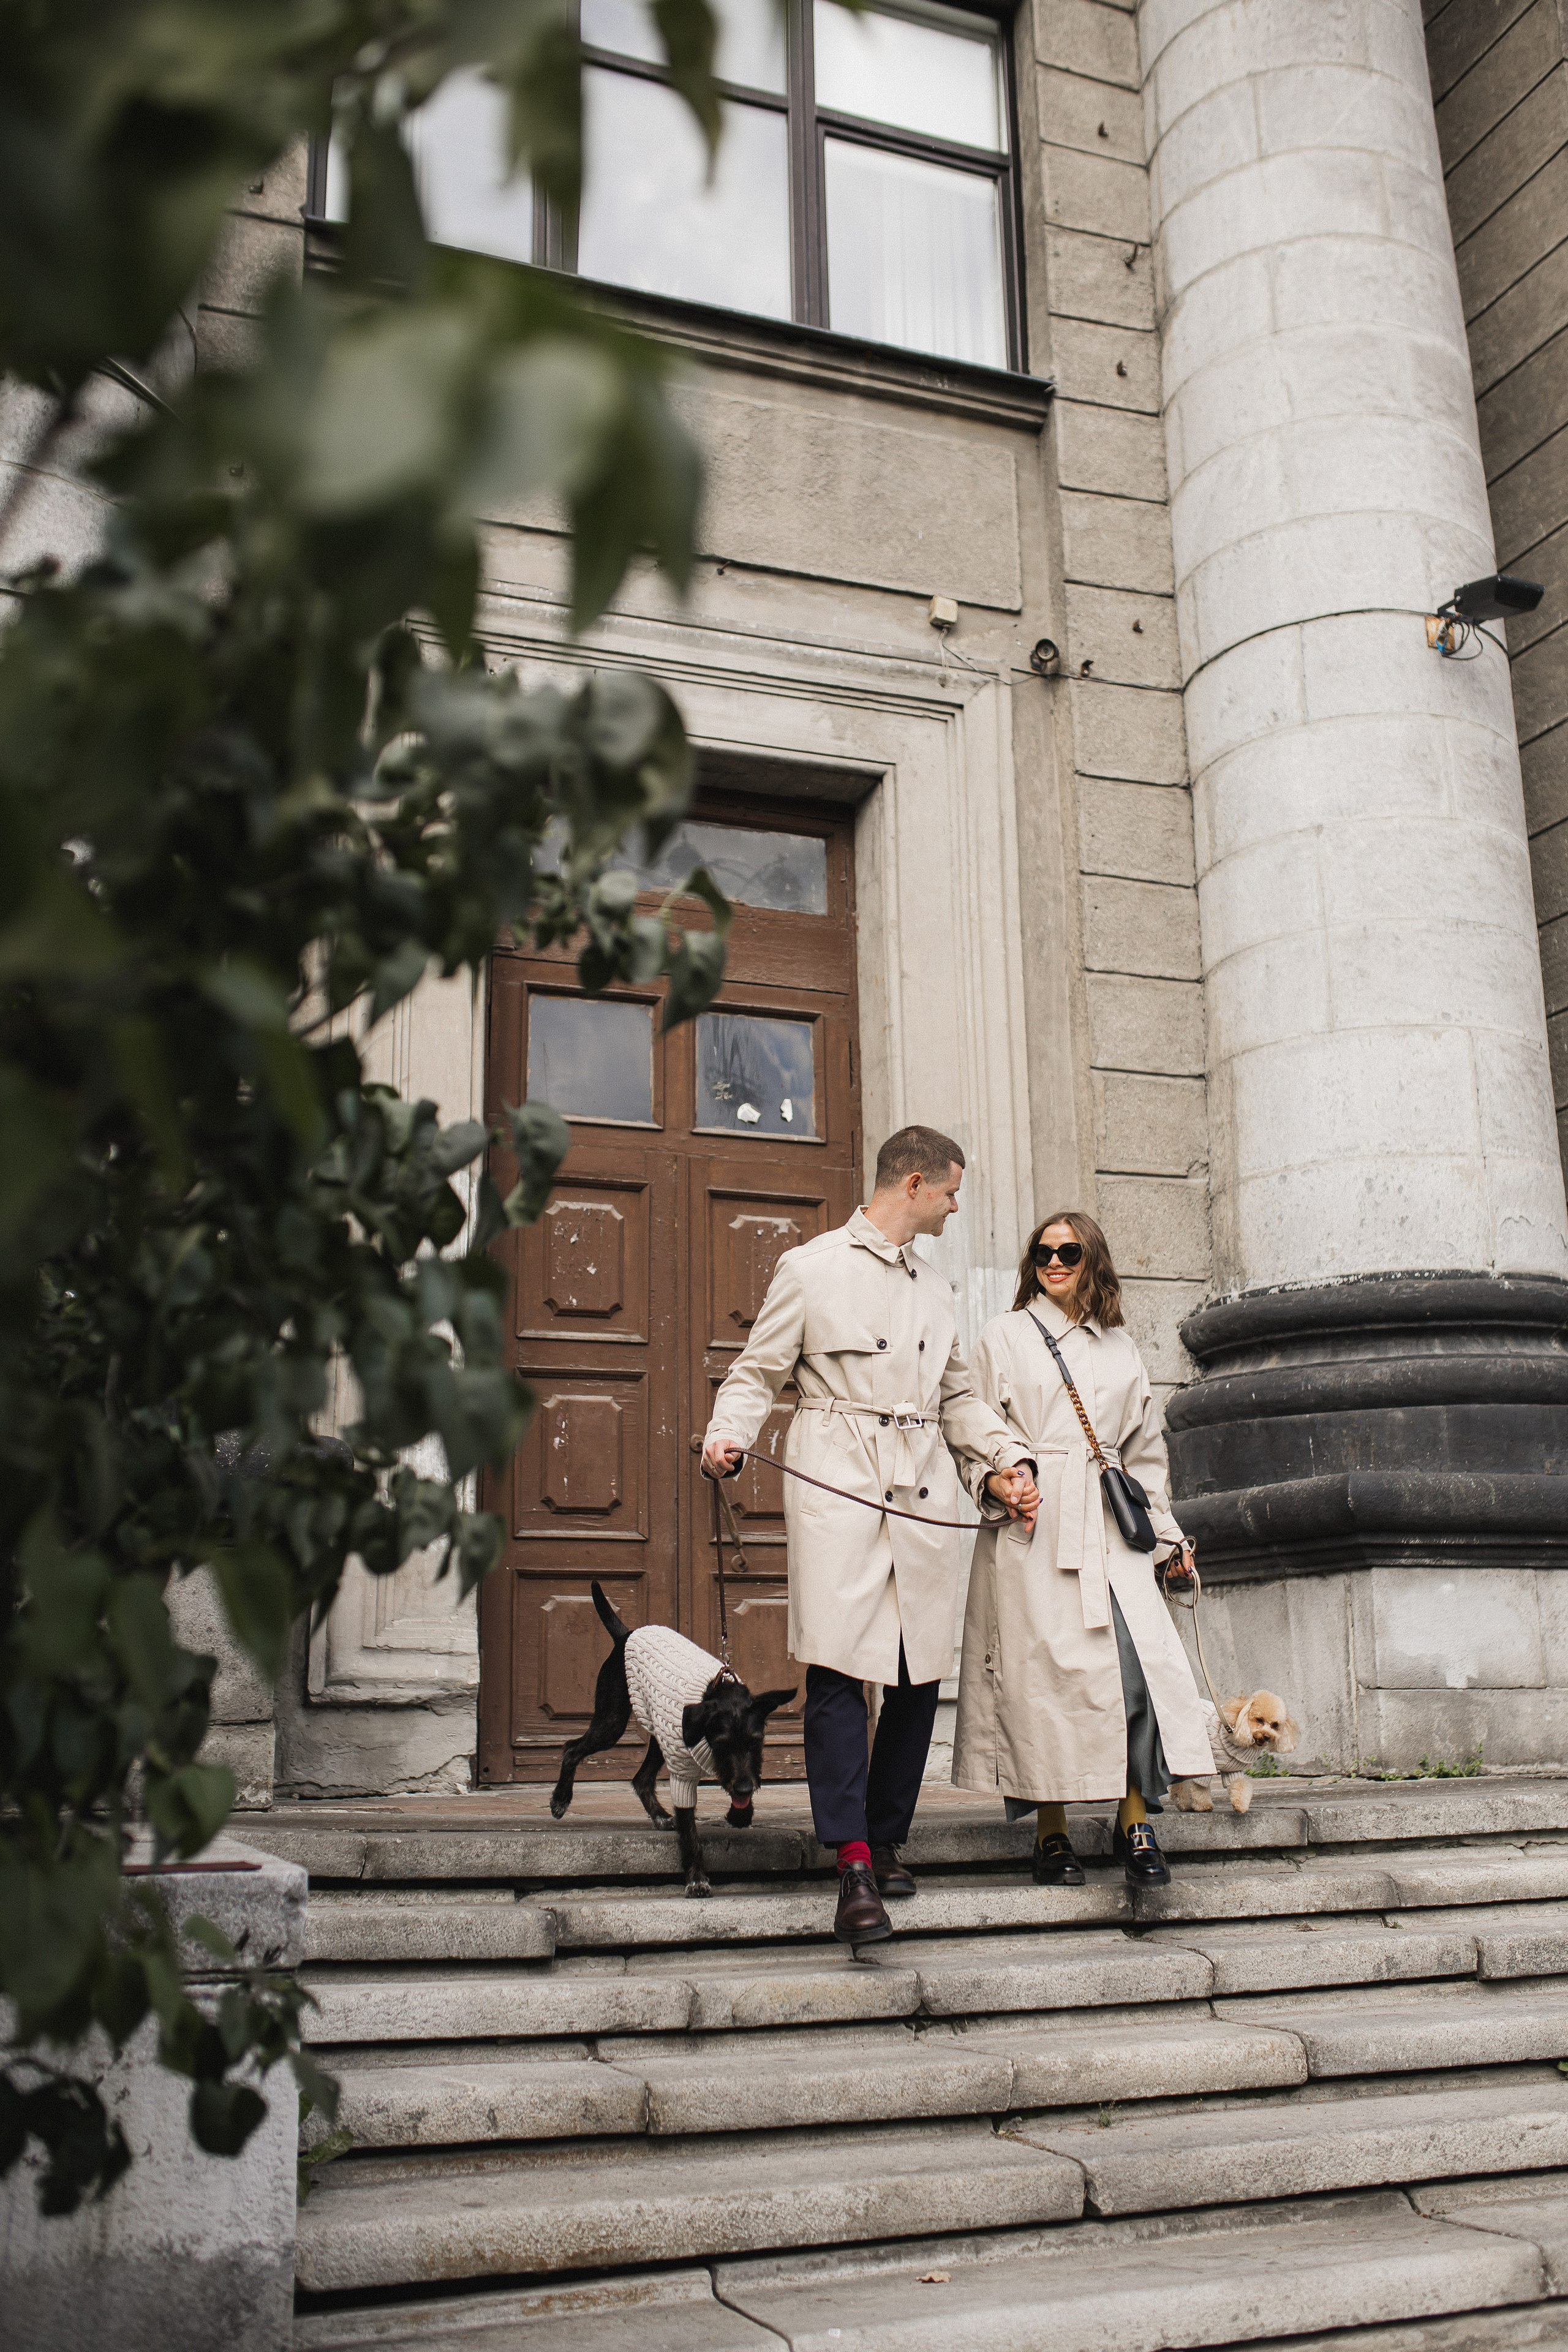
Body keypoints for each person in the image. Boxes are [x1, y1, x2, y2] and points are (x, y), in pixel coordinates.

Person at [702, 1125, 1041, 1947]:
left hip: (921, 1481)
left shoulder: (936, 1285)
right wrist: (728, 1432)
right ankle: (852, 1860)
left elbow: (957, 1395)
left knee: (918, 1676)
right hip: (841, 1484)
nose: (958, 1206)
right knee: (839, 1671)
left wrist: (1002, 1463)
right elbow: (757, 1369)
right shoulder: (810, 1267)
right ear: (914, 1182)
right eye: (952, 1191)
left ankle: (887, 1839)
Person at [951, 1209, 1213, 1886]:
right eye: (1043, 1253)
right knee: (1044, 1686)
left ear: (1092, 1258)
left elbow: (1142, 1455)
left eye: (1068, 1251)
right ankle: (1052, 1834)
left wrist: (1168, 1542)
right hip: (1034, 1529)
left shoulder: (1119, 1346)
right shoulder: (1004, 1336)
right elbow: (971, 1423)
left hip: (1109, 1528)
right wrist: (1002, 1475)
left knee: (1133, 1679)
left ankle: (1135, 1825)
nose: (1055, 1262)